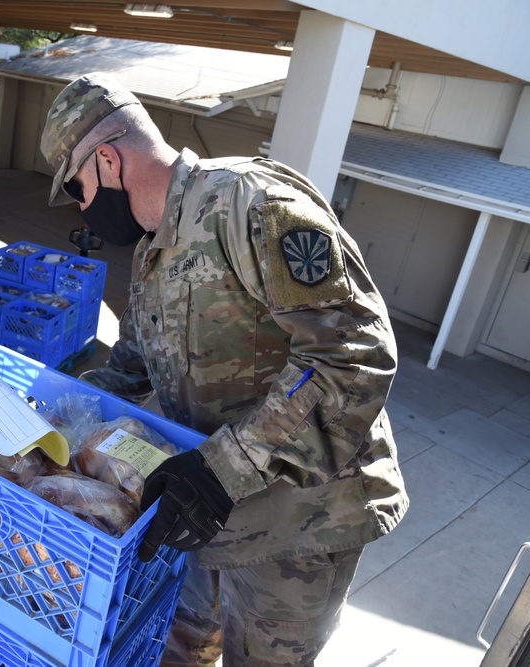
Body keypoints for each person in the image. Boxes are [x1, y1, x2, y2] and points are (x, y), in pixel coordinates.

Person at [39, 72, 409, 667]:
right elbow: (131, 366)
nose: (83, 210)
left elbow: (353, 356)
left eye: (78, 188)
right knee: (181, 646)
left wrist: (221, 471)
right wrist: (46, 422)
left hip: (299, 521)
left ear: (107, 159)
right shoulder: (153, 248)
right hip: (210, 511)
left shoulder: (251, 205)